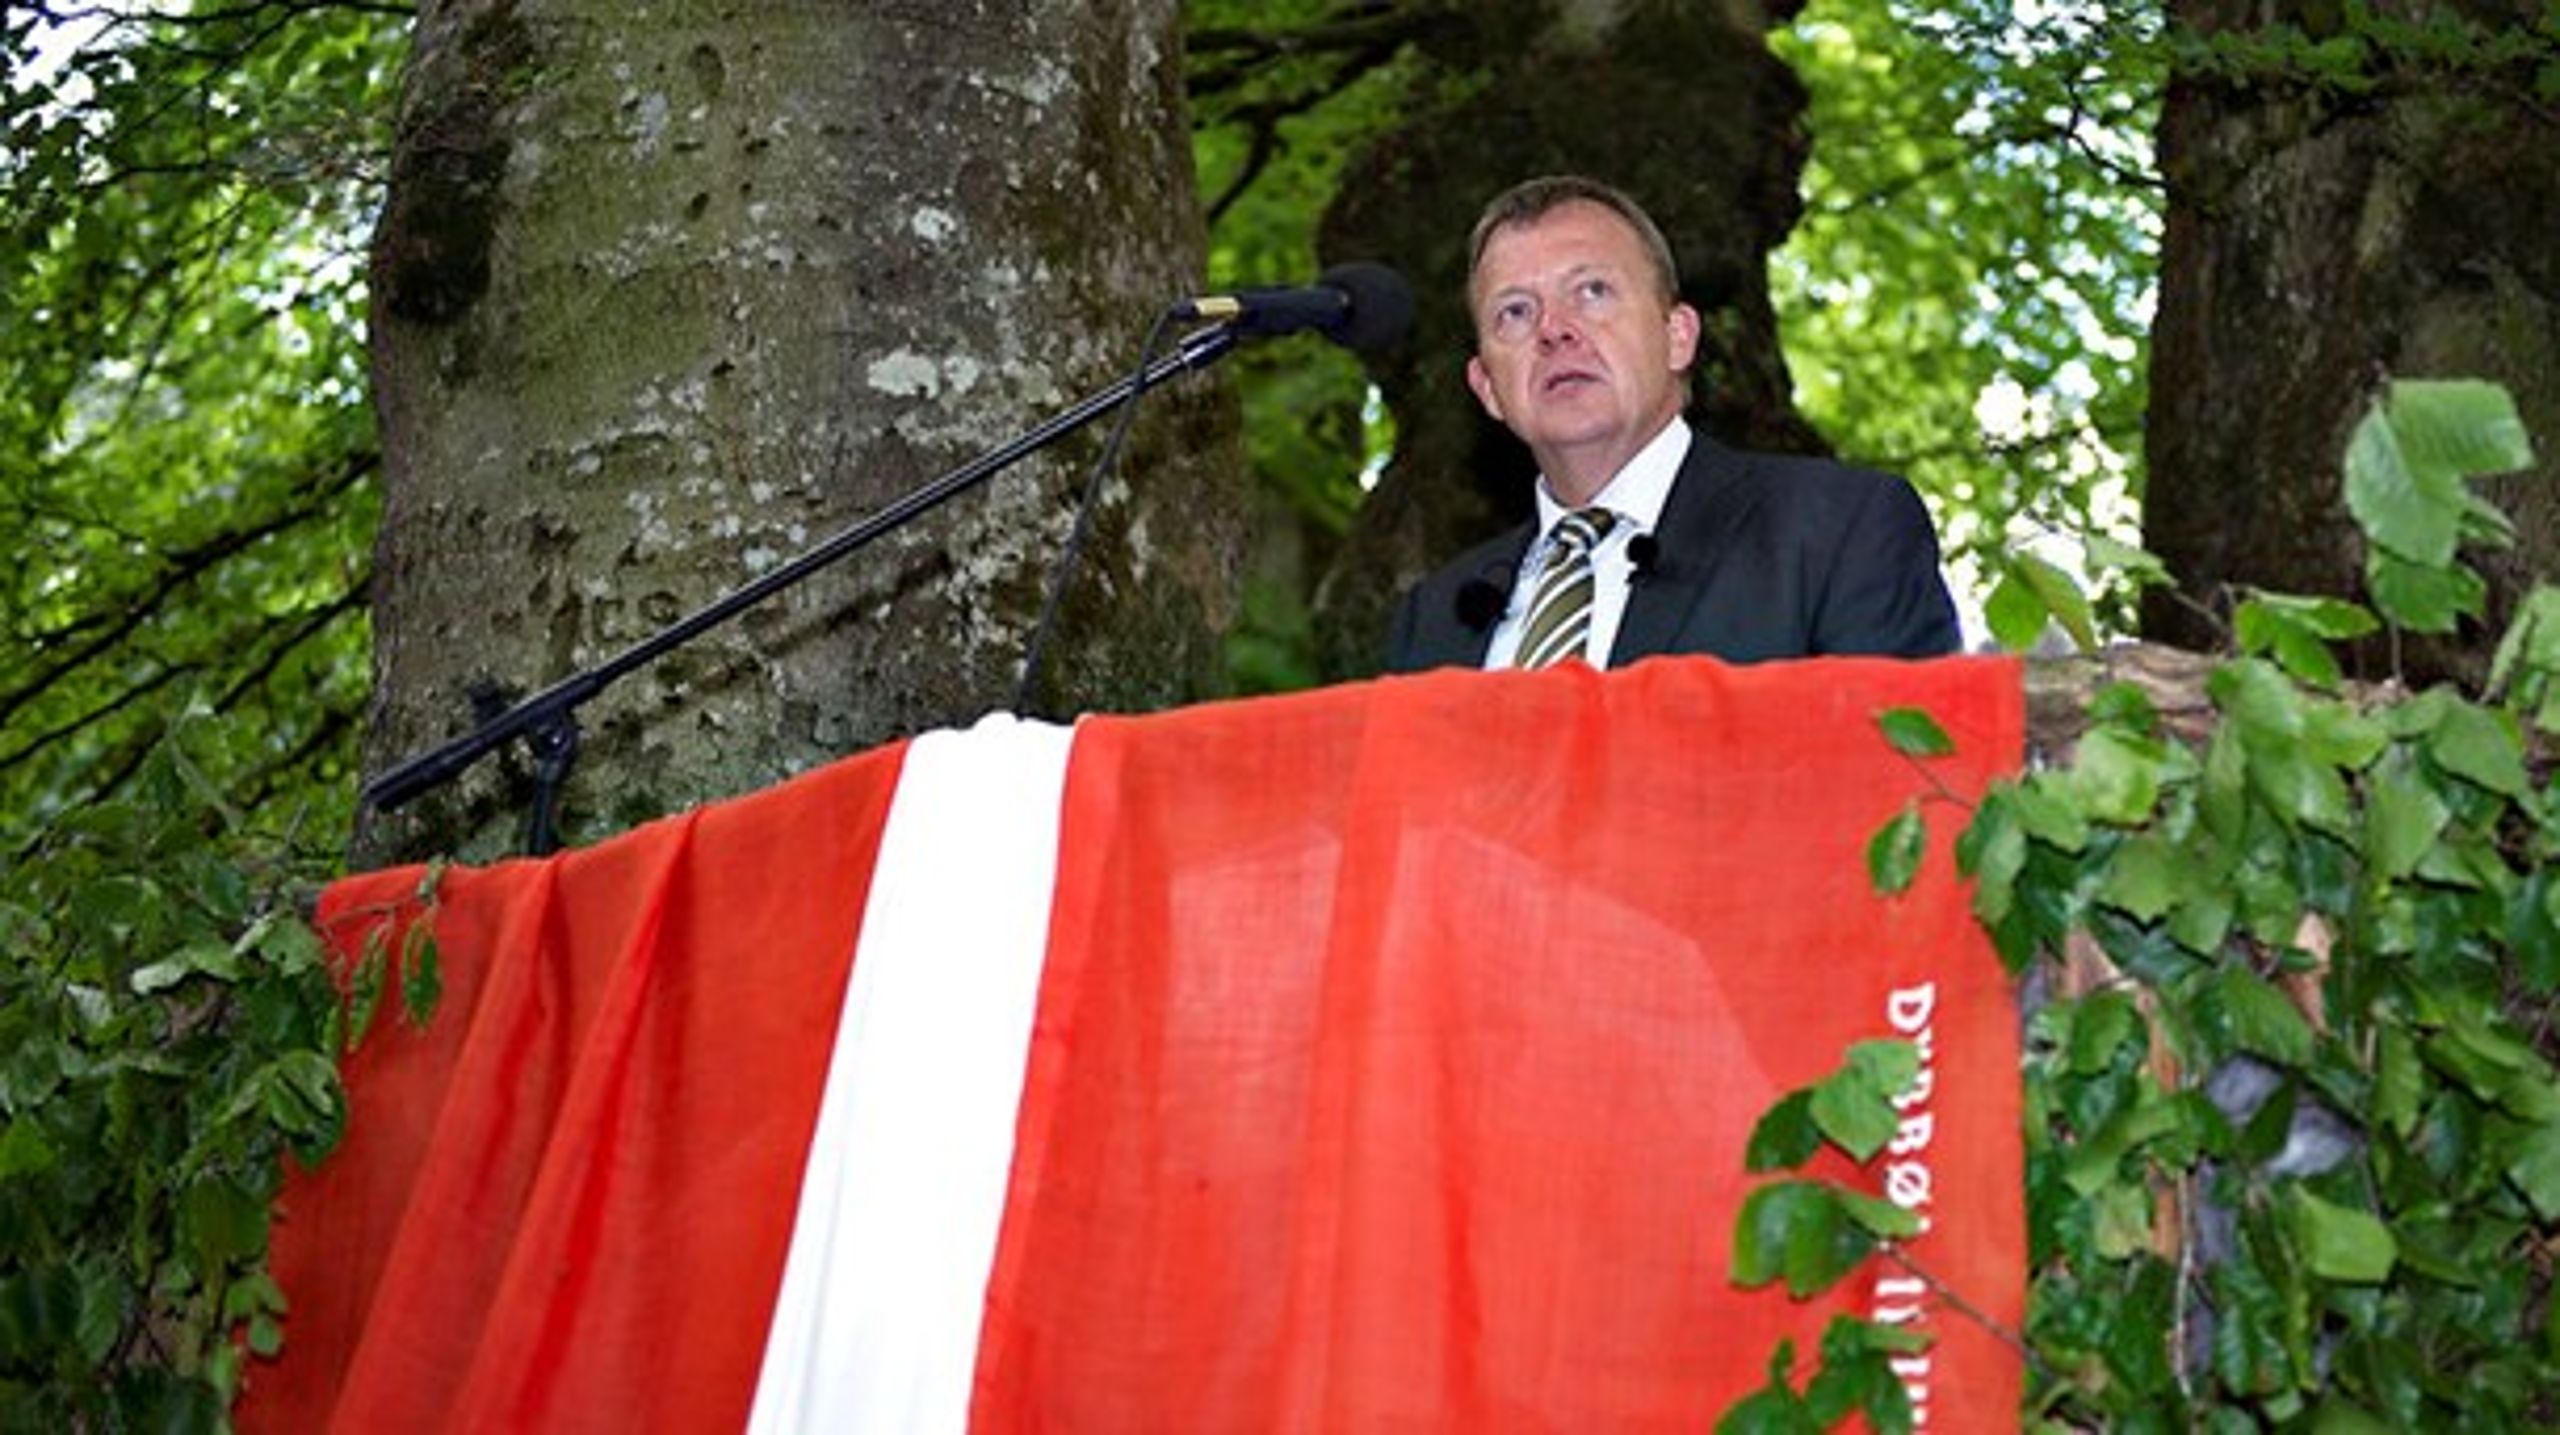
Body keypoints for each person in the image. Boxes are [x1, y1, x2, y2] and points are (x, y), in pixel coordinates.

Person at [1385, 176, 1960, 672]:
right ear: (1488, 387)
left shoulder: (1839, 530)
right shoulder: (1434, 618)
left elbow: (1901, 784)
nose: (1554, 329)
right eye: (1515, 311)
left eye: (1592, 292)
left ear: (1678, 336)